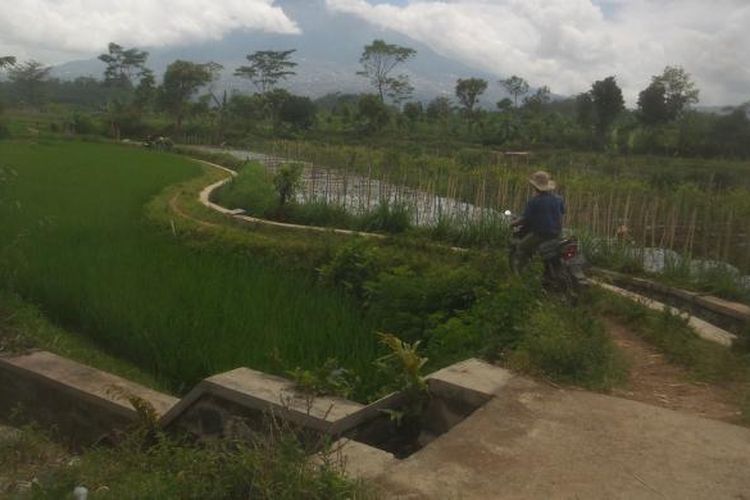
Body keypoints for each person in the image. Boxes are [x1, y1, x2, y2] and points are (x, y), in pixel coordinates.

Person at [512, 170, 565, 269]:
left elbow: (524, 219)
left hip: (541, 234)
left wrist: (512, 224)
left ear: (535, 187)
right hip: (557, 233)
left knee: (521, 247)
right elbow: (561, 213)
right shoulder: (558, 199)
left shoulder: (533, 202)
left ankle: (520, 275)